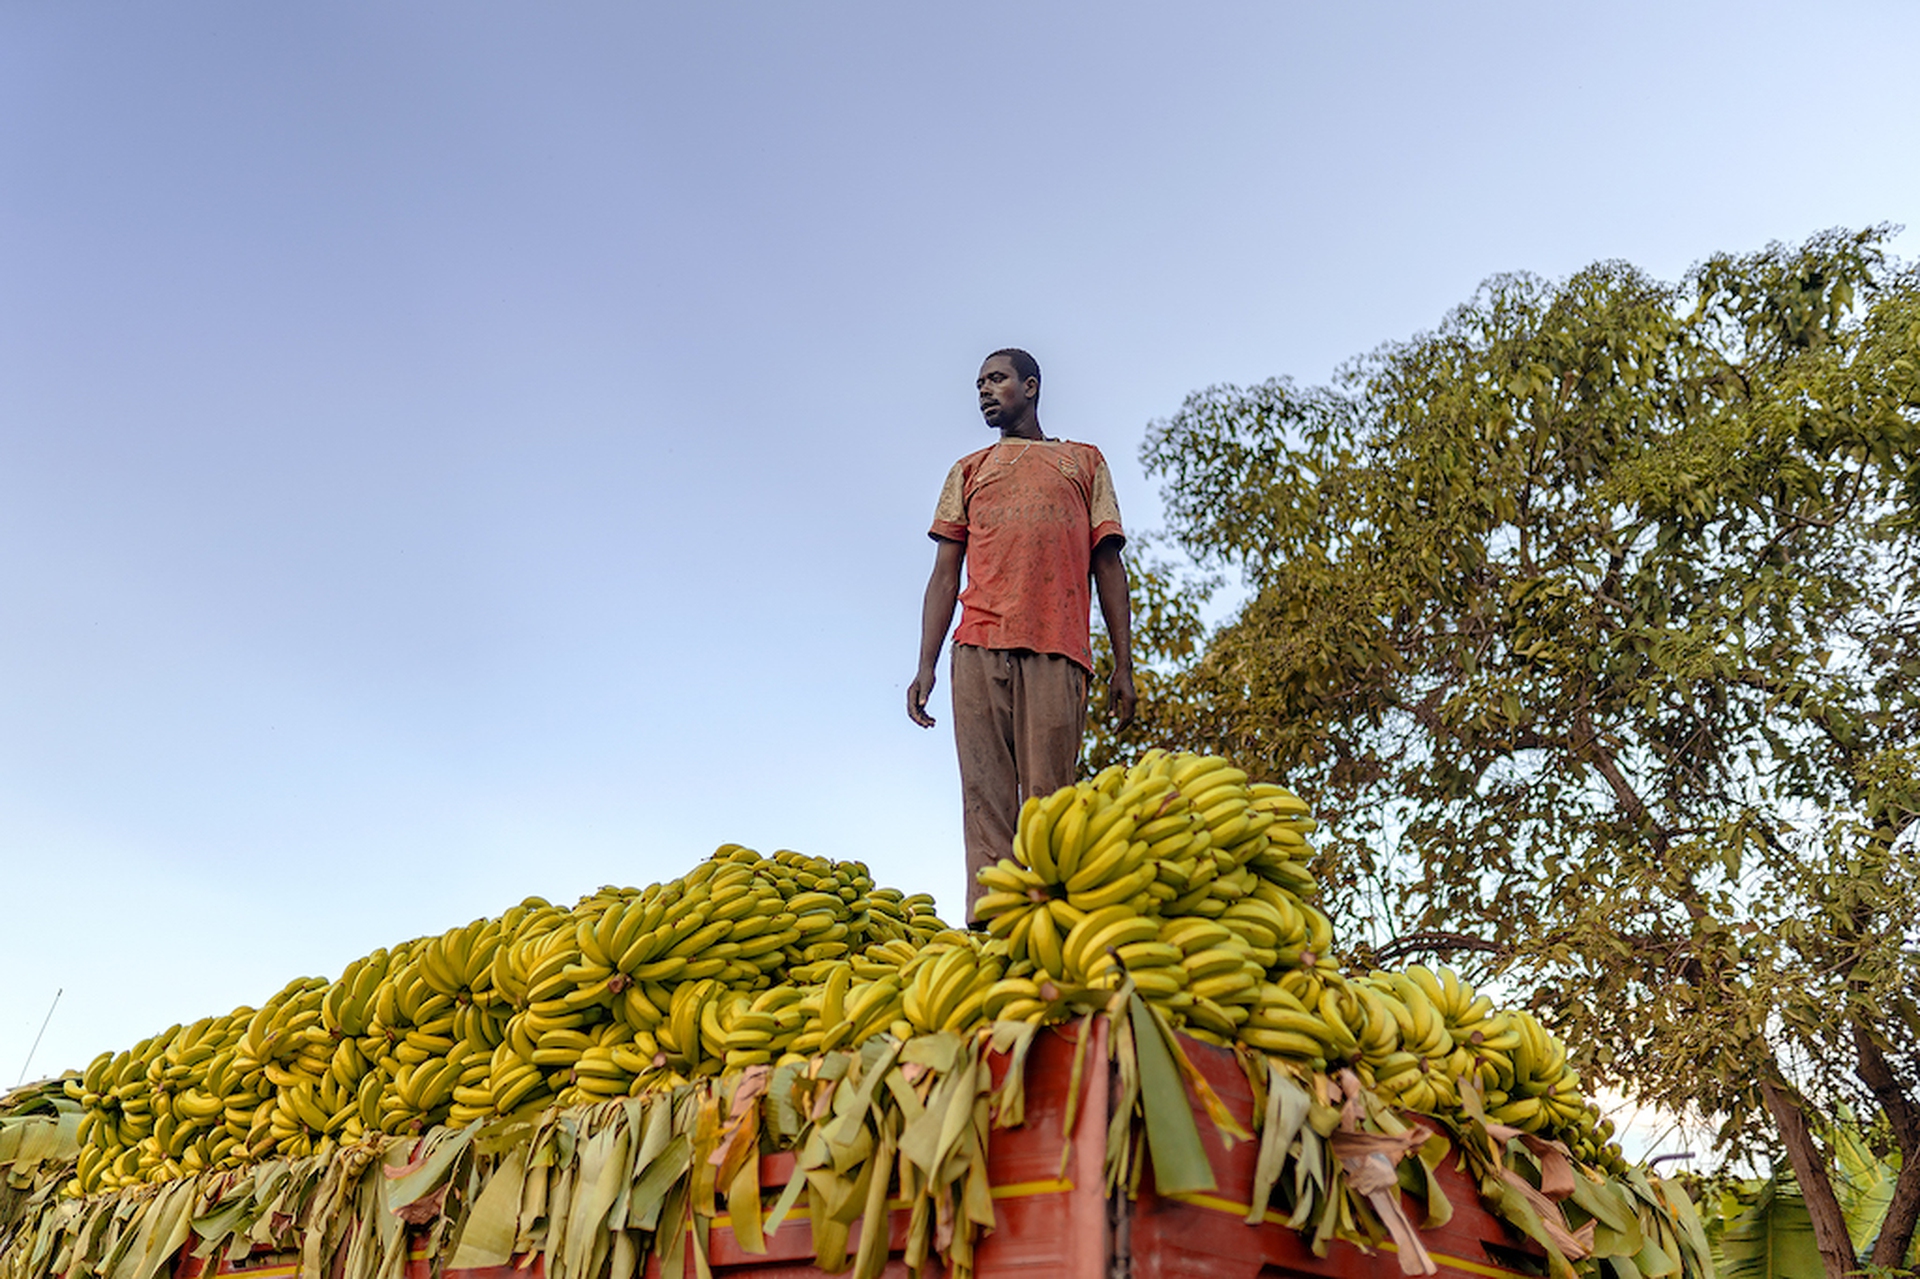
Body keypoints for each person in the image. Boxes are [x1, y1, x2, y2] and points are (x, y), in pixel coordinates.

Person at [907, 348, 1135, 926]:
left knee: (1049, 800)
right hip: (978, 644)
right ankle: (989, 925)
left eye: (997, 379)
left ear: (1030, 387)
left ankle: (1053, 922)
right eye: (979, 383)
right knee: (984, 796)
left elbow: (1108, 566)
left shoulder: (1082, 463)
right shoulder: (968, 470)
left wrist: (1124, 665)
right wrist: (925, 665)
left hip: (1058, 648)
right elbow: (943, 575)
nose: (985, 390)